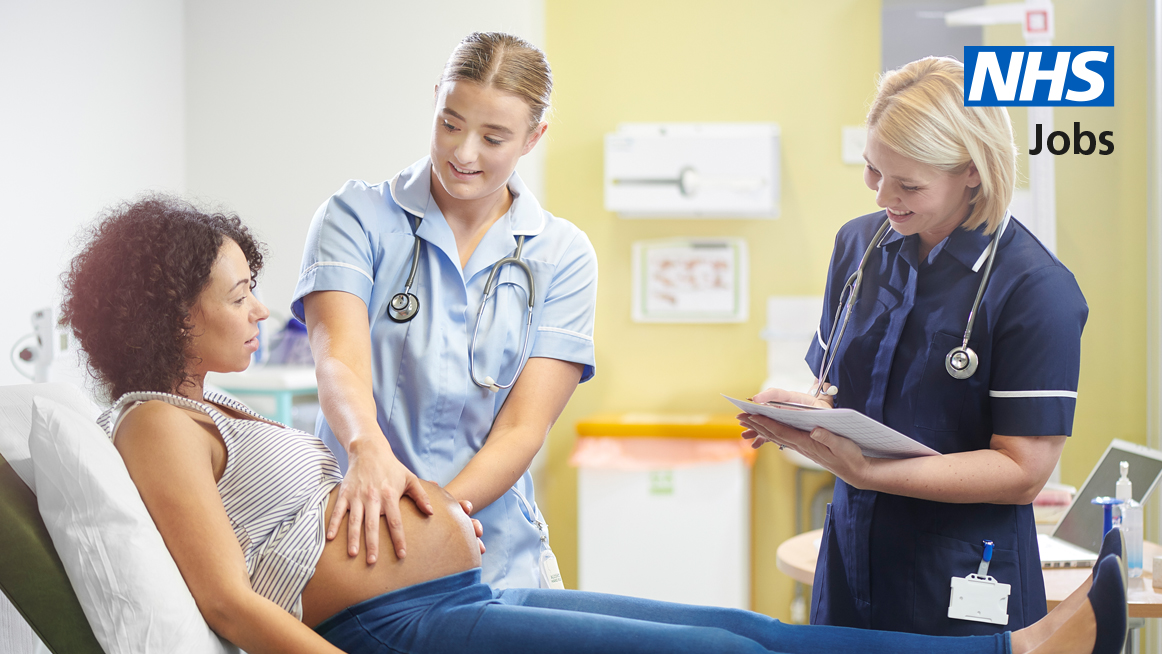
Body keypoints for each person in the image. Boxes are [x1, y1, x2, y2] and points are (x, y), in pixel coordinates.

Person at [60, 195, 1124, 654]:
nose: (258, 309)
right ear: (167, 310)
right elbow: (227, 604)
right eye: (237, 293)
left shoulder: (211, 403)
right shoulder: (153, 422)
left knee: (738, 630)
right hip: (397, 633)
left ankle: (1015, 651)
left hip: (445, 594)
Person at [737, 56, 1088, 637]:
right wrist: (802, 419)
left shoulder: (1035, 289)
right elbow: (836, 393)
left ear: (972, 171)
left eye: (908, 184)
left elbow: (1023, 471)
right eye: (874, 171)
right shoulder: (859, 247)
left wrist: (872, 473)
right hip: (854, 558)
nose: (882, 197)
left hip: (965, 580)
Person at [291, 31, 595, 589]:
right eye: (450, 122)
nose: (464, 153)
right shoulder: (354, 217)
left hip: (493, 549)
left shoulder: (564, 255)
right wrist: (368, 452)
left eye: (494, 137)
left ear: (533, 138)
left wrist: (437, 521)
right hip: (361, 539)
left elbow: (524, 428)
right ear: (435, 99)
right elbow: (339, 362)